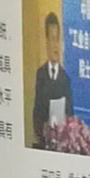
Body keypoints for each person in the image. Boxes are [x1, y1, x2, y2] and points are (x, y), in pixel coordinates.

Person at [27, 10, 73, 146]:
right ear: (46, 42)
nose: (55, 45)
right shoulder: (40, 74)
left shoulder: (65, 79)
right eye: (52, 39)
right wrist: (42, 136)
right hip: (43, 144)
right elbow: (37, 112)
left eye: (57, 39)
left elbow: (70, 115)